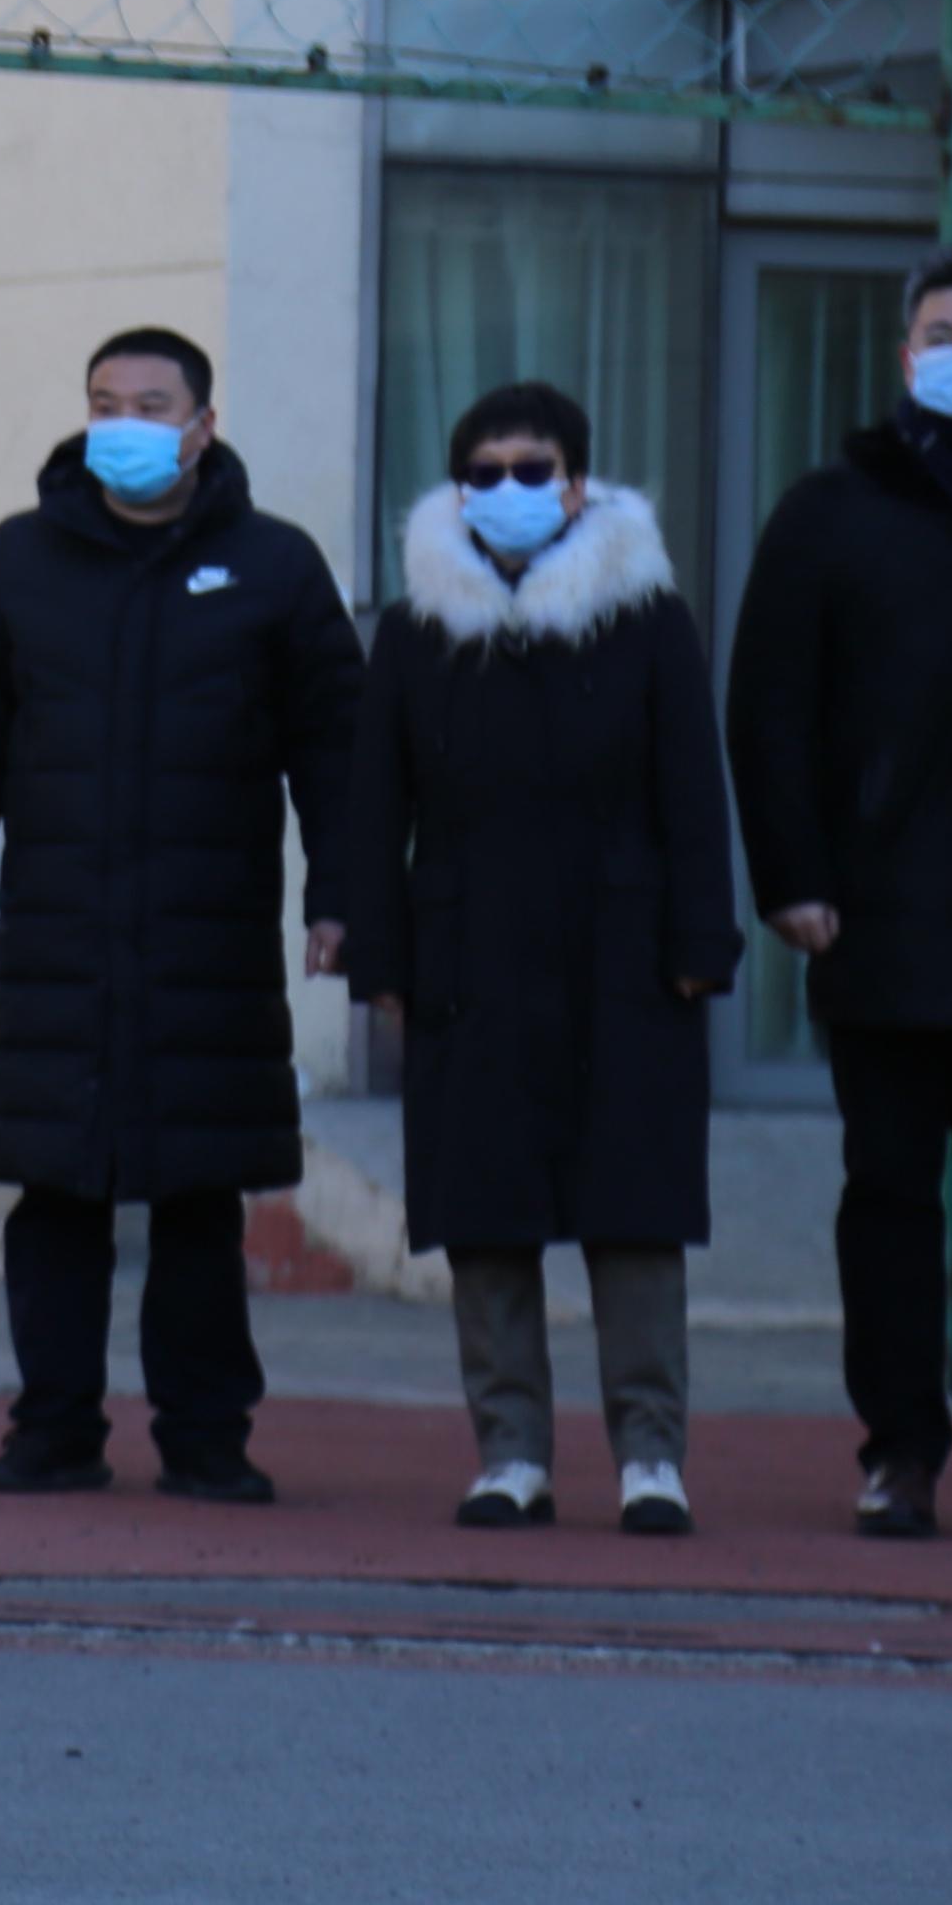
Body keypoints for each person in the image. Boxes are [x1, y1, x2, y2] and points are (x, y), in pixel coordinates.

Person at [0, 326, 363, 1509]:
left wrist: (344, 901)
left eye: (152, 404)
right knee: (56, 1198)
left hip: (208, 947)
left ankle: (208, 1439)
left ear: (202, 427)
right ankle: (53, 1432)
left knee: (199, 1201)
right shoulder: (20, 563)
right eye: (106, 401)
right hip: (59, 942)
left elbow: (338, 754)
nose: (126, 424)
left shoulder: (274, 568)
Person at [347, 381, 729, 1536]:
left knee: (636, 1210)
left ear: (578, 481)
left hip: (628, 953)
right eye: (486, 470)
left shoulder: (647, 614)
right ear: (456, 489)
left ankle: (650, 1455)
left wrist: (702, 943)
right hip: (470, 955)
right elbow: (378, 804)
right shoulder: (418, 629)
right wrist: (381, 958)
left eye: (535, 466)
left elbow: (692, 791)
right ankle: (510, 1453)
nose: (510, 488)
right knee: (487, 1212)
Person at [727, 247, 952, 1542]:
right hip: (882, 930)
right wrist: (794, 883)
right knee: (887, 1205)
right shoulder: (832, 511)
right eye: (944, 330)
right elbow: (768, 711)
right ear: (905, 357)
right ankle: (898, 1452)